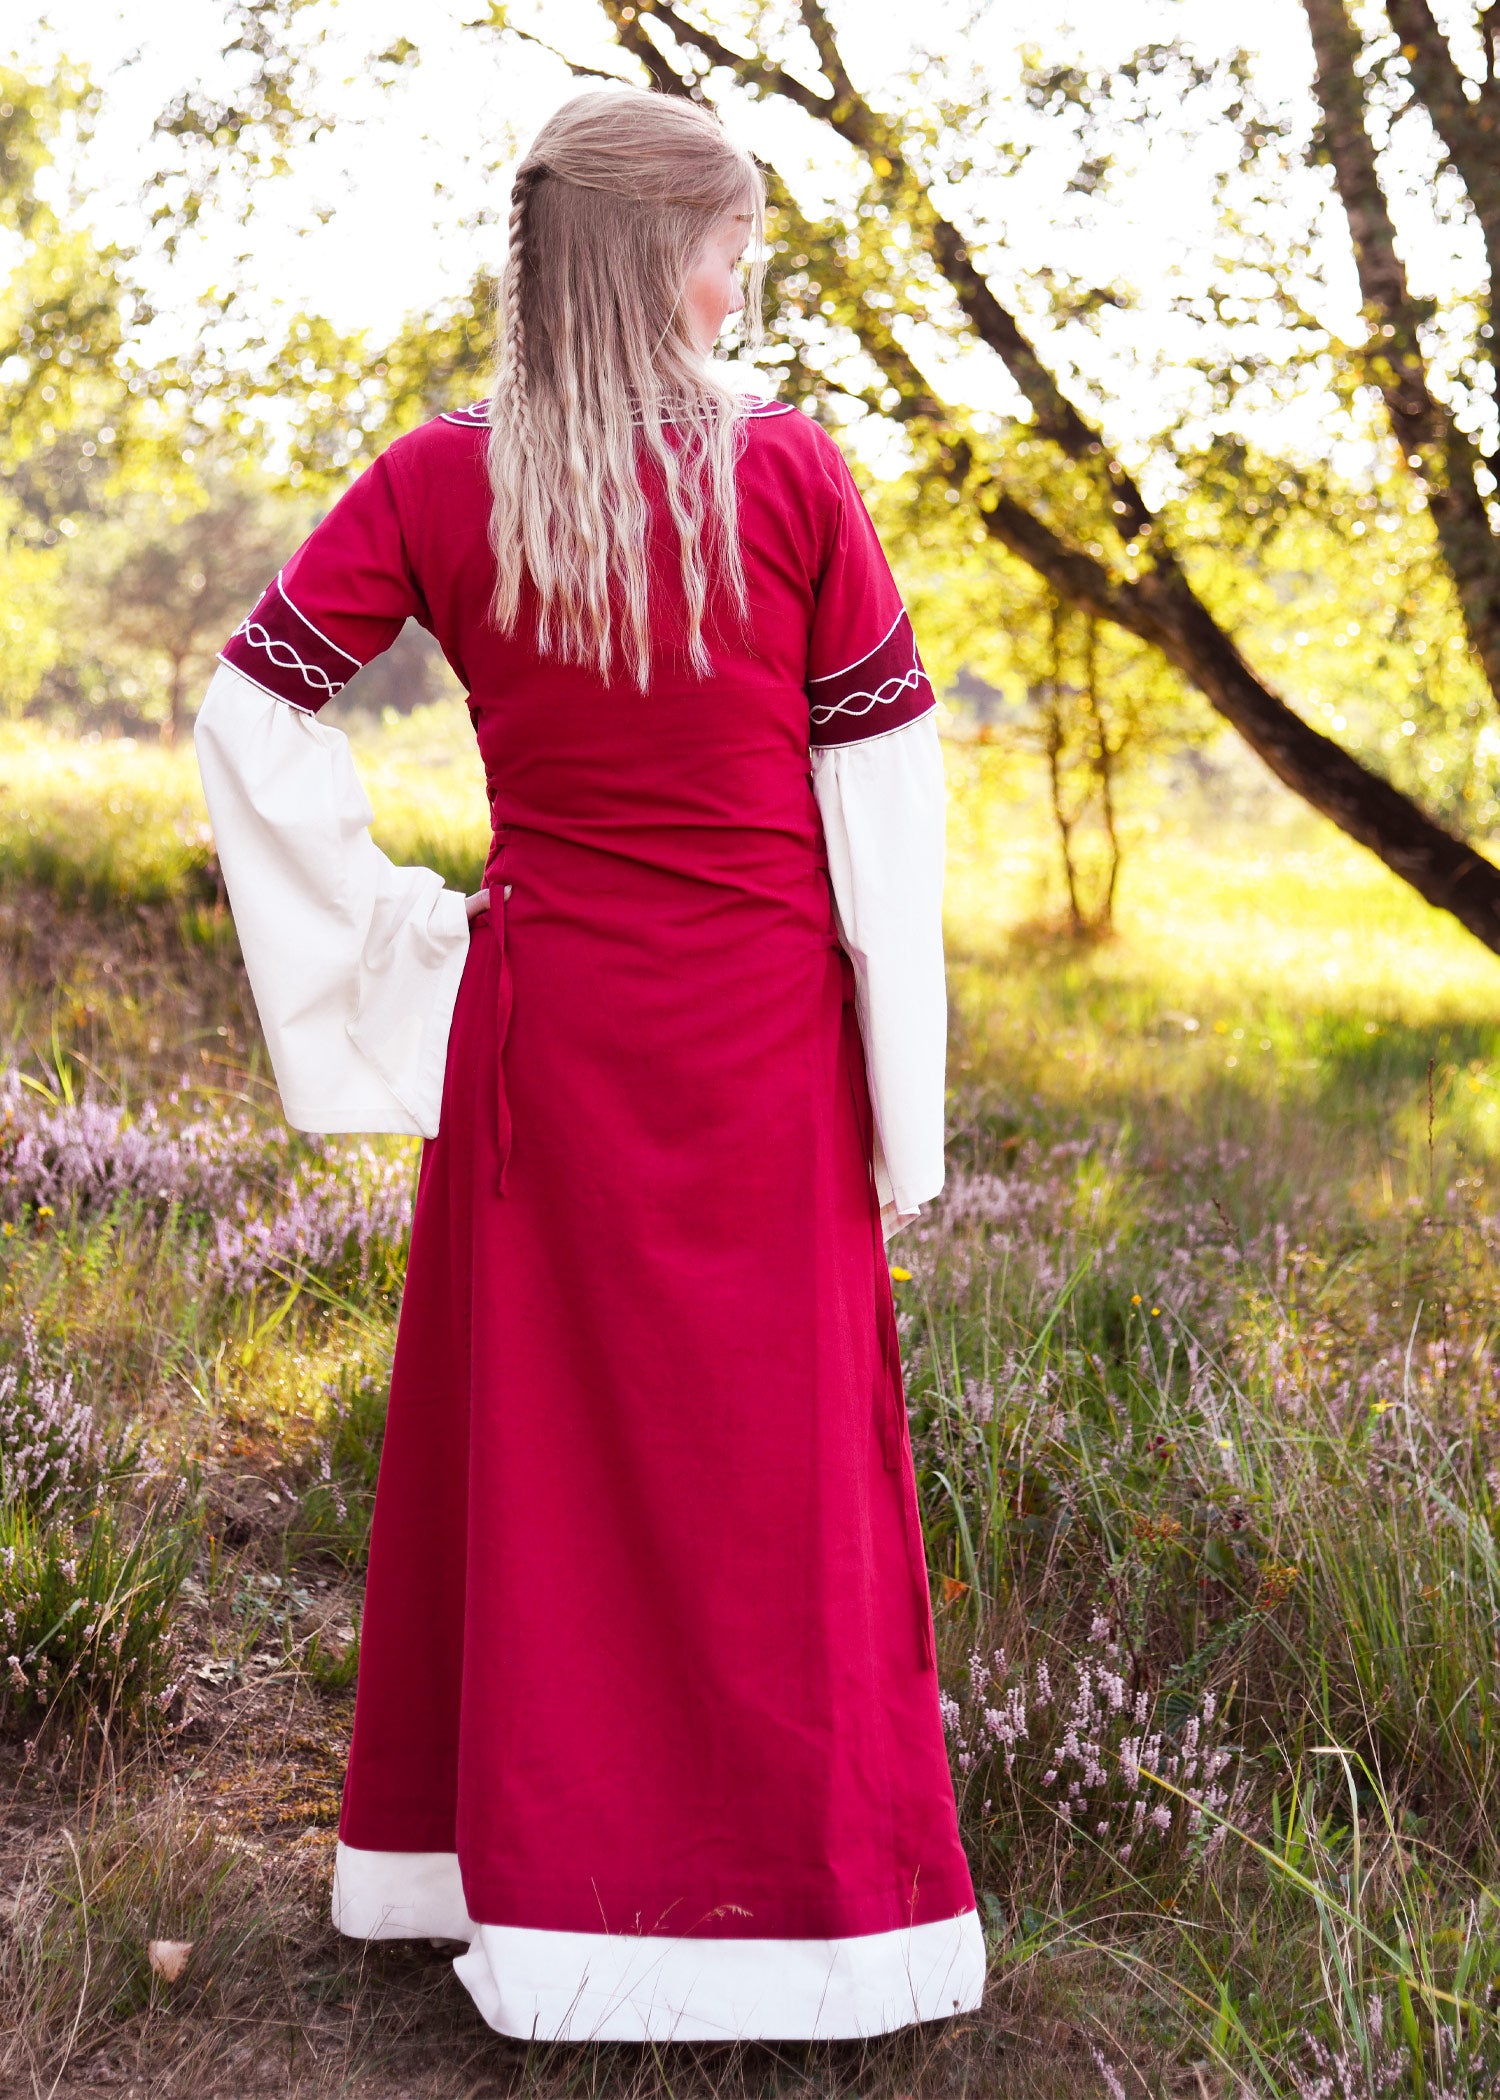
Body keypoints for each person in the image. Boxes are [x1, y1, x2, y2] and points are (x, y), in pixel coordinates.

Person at [194, 85, 983, 2045]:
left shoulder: (441, 483)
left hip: (544, 1039)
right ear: (665, 253)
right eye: (735, 245)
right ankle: (803, 1929)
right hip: (761, 1056)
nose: (745, 279)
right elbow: (881, 814)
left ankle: (533, 1908)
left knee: (544, 1474)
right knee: (777, 1485)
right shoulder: (790, 474)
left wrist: (401, 943)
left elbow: (254, 712)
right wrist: (905, 1108)